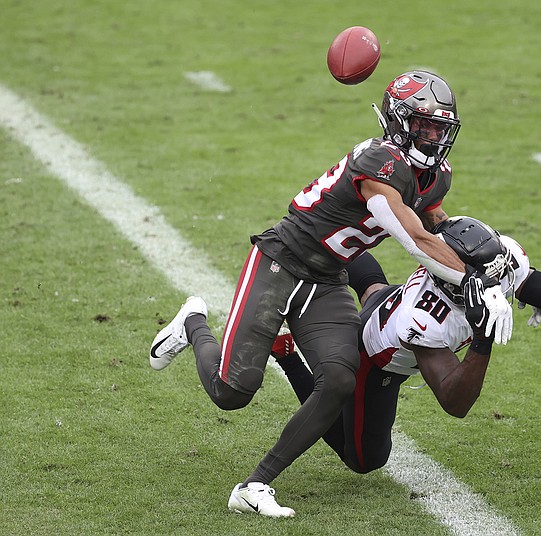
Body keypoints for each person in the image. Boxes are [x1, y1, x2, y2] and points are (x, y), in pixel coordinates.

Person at [148, 72, 514, 517]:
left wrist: (495, 269)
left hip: (327, 280)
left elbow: (437, 224)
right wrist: (473, 283)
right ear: (399, 122)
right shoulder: (380, 164)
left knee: (340, 379)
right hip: (281, 262)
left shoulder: (433, 176)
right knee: (233, 391)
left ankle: (255, 485)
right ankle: (193, 322)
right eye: (423, 126)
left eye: (441, 128)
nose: (433, 137)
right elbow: (414, 237)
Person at [270, 216, 541, 475]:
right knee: (364, 461)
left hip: (388, 300)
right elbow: (455, 403)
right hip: (374, 357)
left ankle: (324, 249)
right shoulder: (422, 319)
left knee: (375, 291)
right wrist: (482, 336)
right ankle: (288, 355)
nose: (495, 283)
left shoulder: (495, 260)